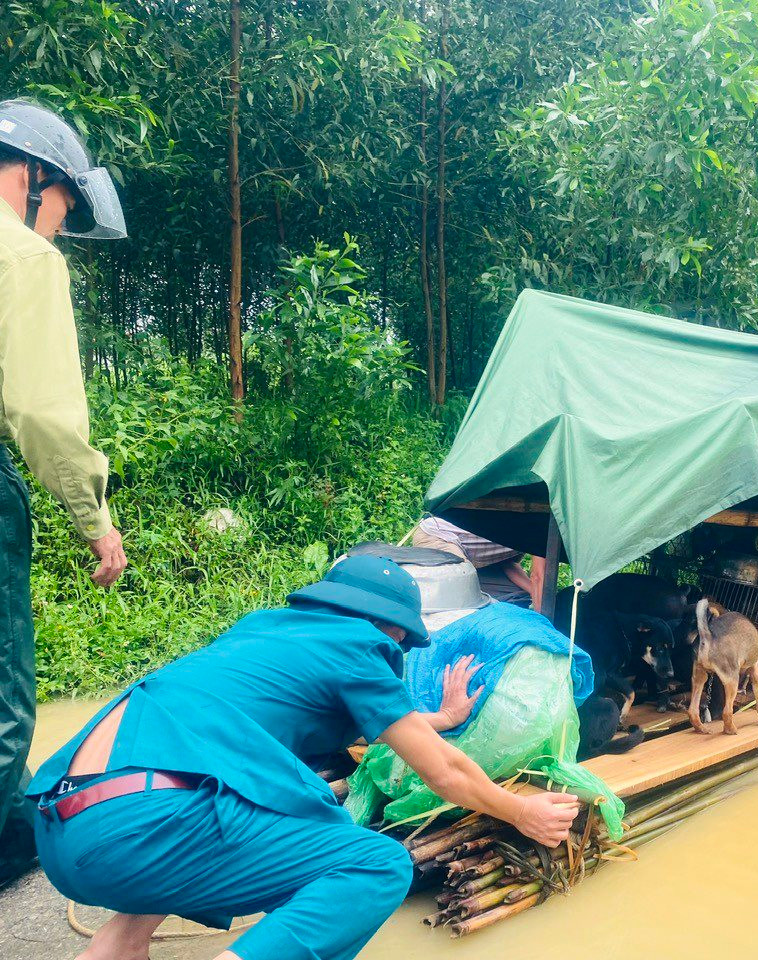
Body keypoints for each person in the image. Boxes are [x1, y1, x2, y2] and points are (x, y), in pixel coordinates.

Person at [26, 555, 579, 960]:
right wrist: (520, 811)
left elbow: (391, 730)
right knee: (373, 862)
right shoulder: (356, 645)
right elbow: (444, 769)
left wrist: (443, 719)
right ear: (390, 629)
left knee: (238, 793)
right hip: (144, 828)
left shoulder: (262, 631)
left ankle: (116, 947)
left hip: (66, 835)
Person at [0, 98, 130, 885]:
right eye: (62, 210)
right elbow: (43, 414)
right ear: (34, 177)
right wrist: (96, 523)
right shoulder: (20, 256)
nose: (57, 229)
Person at [413, 515, 535, 606]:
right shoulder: (537, 531)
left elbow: (509, 564)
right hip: (438, 535)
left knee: (518, 595)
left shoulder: (525, 540)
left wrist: (533, 591)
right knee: (461, 582)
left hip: (467, 553)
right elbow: (538, 577)